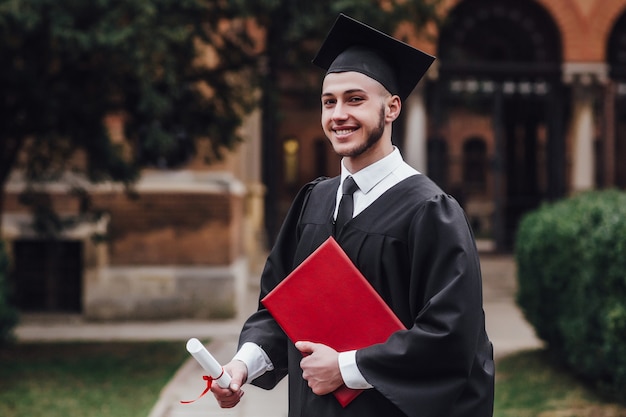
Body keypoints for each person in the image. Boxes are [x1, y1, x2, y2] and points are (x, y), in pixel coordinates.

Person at [210, 13, 495, 417]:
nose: (338, 114)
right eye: (329, 102)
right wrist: (241, 366)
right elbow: (280, 312)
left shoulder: (430, 212)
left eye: (355, 99)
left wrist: (347, 367)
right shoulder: (313, 202)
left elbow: (451, 337)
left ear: (392, 108)